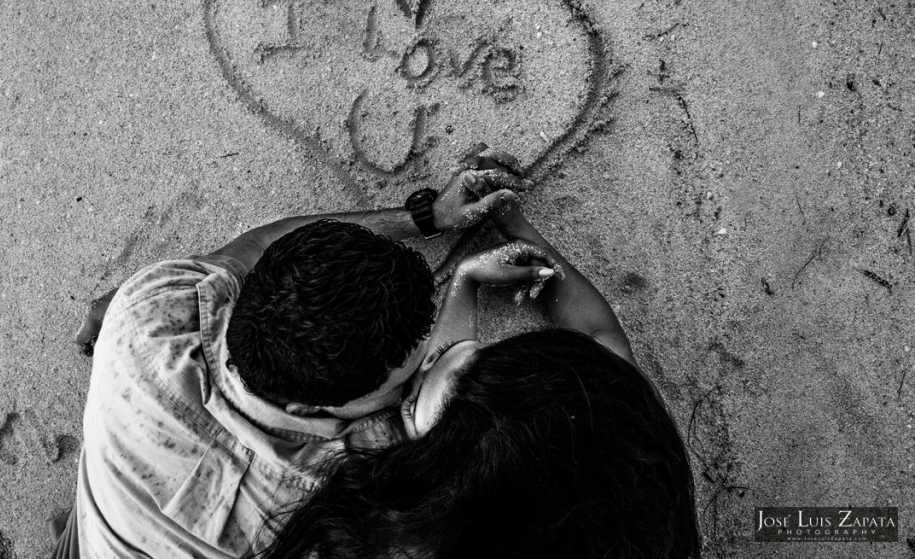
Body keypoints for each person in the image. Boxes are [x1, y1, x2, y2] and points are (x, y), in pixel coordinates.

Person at [49, 158, 532, 559]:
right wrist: (464, 281)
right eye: (399, 386)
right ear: (313, 408)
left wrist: (428, 217)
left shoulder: (149, 308)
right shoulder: (339, 489)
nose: (418, 376)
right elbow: (440, 414)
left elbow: (261, 244)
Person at [257, 158, 701, 559]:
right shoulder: (611, 432)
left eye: (411, 404)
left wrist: (448, 248)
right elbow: (596, 336)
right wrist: (500, 245)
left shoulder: (390, 526)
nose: (426, 361)